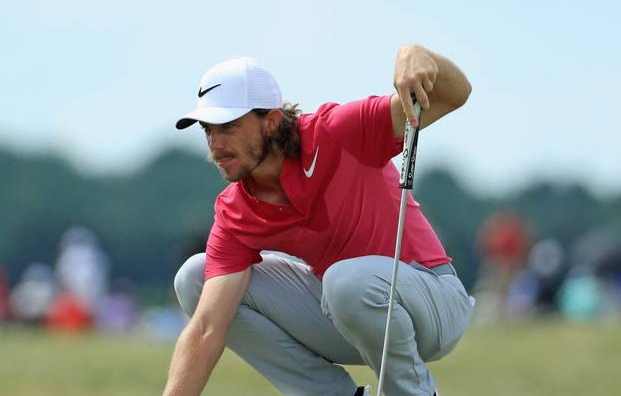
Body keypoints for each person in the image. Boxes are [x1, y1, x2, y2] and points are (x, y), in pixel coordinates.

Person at [165, 46, 474, 396]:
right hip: (350, 309)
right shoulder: (236, 210)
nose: (215, 144)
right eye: (208, 130)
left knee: (345, 281)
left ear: (271, 120)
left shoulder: (337, 131)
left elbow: (455, 92)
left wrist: (416, 54)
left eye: (229, 126)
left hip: (434, 302)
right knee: (195, 278)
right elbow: (206, 329)